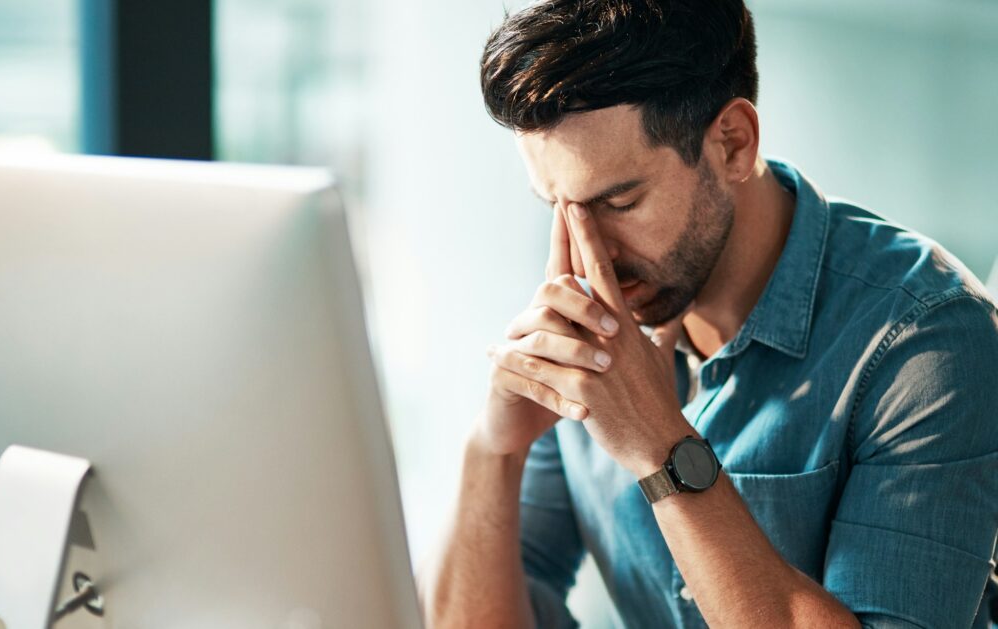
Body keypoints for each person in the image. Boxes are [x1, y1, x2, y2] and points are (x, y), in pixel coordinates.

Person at [417, 1, 998, 627]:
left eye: (619, 201)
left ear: (733, 143)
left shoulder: (929, 341)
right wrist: (493, 450)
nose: (589, 258)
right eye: (558, 206)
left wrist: (661, 448)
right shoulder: (591, 333)